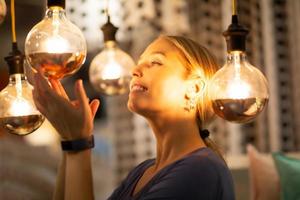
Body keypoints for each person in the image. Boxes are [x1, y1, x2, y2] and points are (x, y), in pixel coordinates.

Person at [32, 35, 235, 200]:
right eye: (139, 63)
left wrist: (79, 141)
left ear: (194, 88)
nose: (135, 71)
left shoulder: (200, 171)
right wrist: (70, 140)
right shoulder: (142, 172)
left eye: (155, 62)